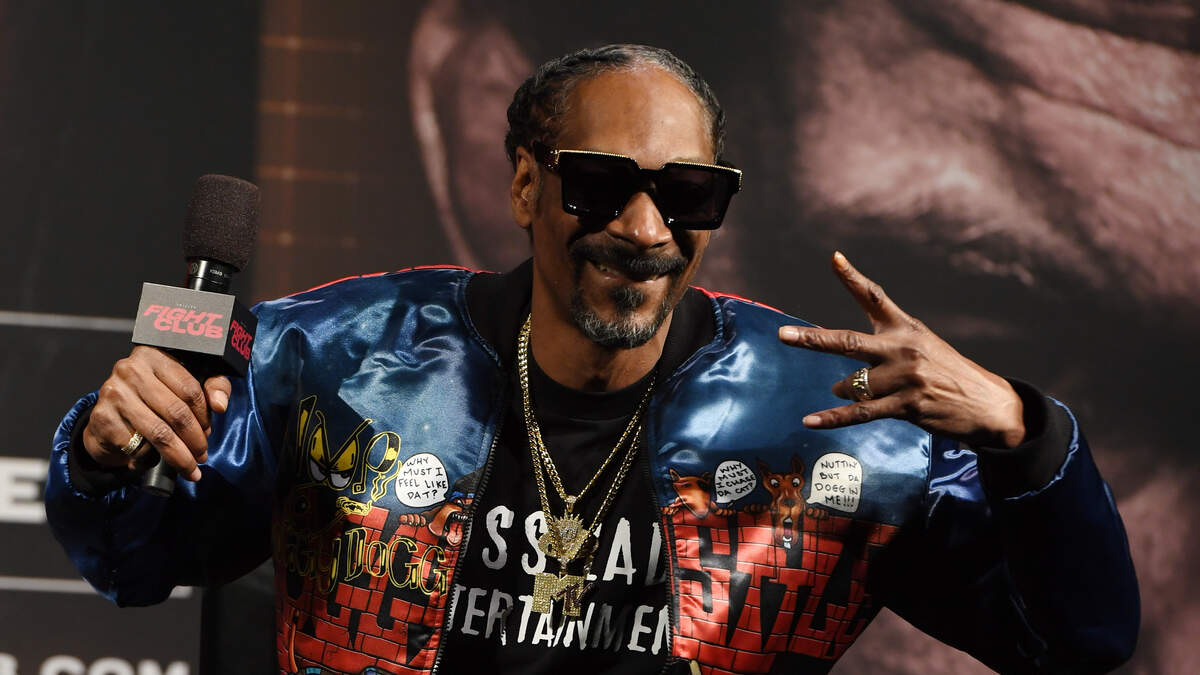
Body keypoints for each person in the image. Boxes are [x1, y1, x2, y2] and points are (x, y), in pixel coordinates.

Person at [46, 44, 1137, 674]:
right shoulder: (327, 358)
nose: (646, 229)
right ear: (527, 185)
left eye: (687, 194)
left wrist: (1026, 432)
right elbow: (135, 560)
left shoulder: (840, 423)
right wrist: (103, 456)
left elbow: (1079, 643)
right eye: (602, 185)